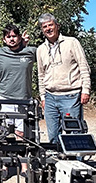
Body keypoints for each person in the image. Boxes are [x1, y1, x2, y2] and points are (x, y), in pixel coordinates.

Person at [36, 13, 91, 144]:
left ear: (57, 26)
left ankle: (77, 163)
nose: (48, 29)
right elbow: (41, 74)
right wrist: (43, 97)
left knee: (75, 134)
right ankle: (59, 163)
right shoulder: (40, 49)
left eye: (50, 25)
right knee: (53, 135)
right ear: (42, 30)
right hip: (50, 97)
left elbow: (84, 67)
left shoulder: (71, 42)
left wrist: (86, 90)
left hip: (70, 96)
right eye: (45, 26)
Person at [0, 24, 36, 135]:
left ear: (20, 37)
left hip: (24, 99)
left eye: (14, 36)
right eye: (8, 36)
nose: (12, 39)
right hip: (5, 99)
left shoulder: (31, 52)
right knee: (3, 135)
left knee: (22, 135)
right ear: (4, 39)